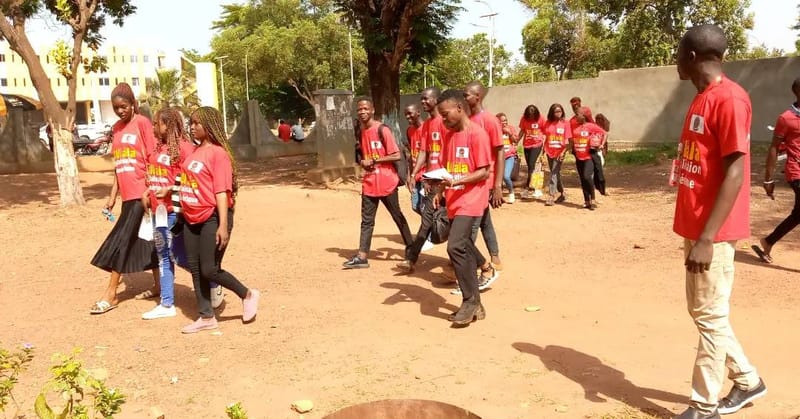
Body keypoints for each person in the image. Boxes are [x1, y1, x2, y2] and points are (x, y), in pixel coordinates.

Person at [672, 24, 766, 419]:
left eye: (679, 52)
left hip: (713, 233)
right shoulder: (702, 98)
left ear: (692, 57)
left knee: (710, 316)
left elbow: (736, 171)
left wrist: (708, 237)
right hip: (696, 227)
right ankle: (747, 380)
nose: (675, 60)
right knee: (703, 312)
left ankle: (704, 403)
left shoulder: (728, 99)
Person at [179, 106, 260, 333]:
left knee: (209, 269)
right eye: (191, 123)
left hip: (213, 217)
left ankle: (248, 294)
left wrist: (223, 225)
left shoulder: (218, 154)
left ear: (210, 125)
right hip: (190, 218)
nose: (192, 127)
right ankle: (206, 316)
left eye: (197, 123)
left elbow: (221, 192)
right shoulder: (193, 153)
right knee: (195, 268)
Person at [89, 83, 158, 314]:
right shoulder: (117, 129)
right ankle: (159, 285)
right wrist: (112, 197)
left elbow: (152, 158)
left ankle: (111, 294)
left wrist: (151, 191)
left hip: (142, 193)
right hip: (127, 194)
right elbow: (118, 166)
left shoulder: (143, 124)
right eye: (116, 107)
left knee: (123, 240)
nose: (120, 111)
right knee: (146, 239)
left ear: (132, 104)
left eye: (124, 106)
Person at [434, 89, 492, 326]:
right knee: (464, 245)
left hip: (473, 198)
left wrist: (456, 182)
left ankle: (469, 301)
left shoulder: (477, 134)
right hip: (454, 200)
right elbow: (447, 167)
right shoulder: (449, 136)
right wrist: (439, 190)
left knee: (456, 245)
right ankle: (476, 304)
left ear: (459, 108)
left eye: (445, 114)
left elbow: (483, 171)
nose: (443, 119)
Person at [343, 97, 413, 269]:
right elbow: (360, 155)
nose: (362, 112)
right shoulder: (360, 131)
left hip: (387, 182)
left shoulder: (382, 129)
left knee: (397, 217)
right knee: (367, 220)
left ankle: (411, 250)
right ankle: (362, 256)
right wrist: (363, 162)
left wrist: (374, 160)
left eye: (366, 108)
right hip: (369, 183)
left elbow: (396, 155)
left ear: (372, 110)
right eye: (359, 109)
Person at [139, 108, 196, 320]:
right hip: (157, 211)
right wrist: (147, 191)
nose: (153, 128)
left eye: (157, 124)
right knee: (165, 255)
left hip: (173, 212)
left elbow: (191, 180)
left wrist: (171, 189)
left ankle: (211, 281)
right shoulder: (157, 149)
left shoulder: (184, 149)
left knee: (177, 255)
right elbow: (154, 176)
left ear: (168, 125)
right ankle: (167, 303)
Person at [751, 77, 800, 264]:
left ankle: (768, 241)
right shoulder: (786, 118)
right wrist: (768, 179)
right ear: (798, 93)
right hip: (796, 172)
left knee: (798, 215)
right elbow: (774, 148)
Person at [398, 88, 444, 273]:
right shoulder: (426, 126)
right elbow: (424, 152)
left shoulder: (445, 122)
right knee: (426, 220)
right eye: (421, 99)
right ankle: (411, 259)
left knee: (458, 226)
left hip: (447, 181)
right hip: (432, 180)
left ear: (436, 99)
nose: (423, 102)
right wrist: (415, 174)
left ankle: (481, 263)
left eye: (426, 99)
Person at [463, 80, 504, 280]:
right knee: (484, 220)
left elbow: (500, 151)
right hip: (472, 180)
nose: (464, 98)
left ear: (477, 96)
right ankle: (495, 255)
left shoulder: (489, 120)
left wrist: (497, 185)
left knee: (470, 226)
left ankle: (470, 267)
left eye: (466, 94)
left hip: (484, 182)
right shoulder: (467, 120)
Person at [571, 108, 605, 210]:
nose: (576, 117)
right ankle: (586, 201)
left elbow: (604, 133)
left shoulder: (590, 126)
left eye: (578, 115)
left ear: (584, 116)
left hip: (588, 157)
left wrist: (601, 144)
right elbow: (572, 141)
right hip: (578, 157)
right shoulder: (575, 127)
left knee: (587, 176)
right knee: (582, 180)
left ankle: (593, 199)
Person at [543, 103, 572, 206]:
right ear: (552, 113)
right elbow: (545, 137)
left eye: (560, 111)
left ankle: (551, 195)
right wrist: (543, 151)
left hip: (560, 152)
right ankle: (563, 193)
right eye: (556, 111)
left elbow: (569, 141)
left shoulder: (566, 123)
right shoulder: (548, 123)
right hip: (549, 151)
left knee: (553, 173)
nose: (558, 113)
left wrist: (564, 152)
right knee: (555, 173)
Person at [518, 104, 546, 199]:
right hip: (527, 145)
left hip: (537, 144)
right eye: (529, 115)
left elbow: (545, 131)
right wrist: (516, 141)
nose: (531, 117)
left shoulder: (541, 118)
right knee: (530, 166)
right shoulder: (524, 119)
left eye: (533, 115)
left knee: (531, 165)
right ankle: (533, 187)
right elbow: (522, 130)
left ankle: (529, 188)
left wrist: (545, 146)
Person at [404, 104, 424, 213]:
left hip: (425, 175)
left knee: (425, 207)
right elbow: (411, 154)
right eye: (406, 115)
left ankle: (433, 230)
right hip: (415, 176)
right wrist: (409, 175)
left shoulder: (427, 129)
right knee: (415, 206)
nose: (408, 117)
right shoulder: (409, 131)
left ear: (418, 112)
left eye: (410, 113)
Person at [496, 112, 519, 203]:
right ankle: (498, 195)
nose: (504, 122)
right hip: (498, 157)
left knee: (506, 176)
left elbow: (515, 141)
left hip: (509, 156)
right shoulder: (495, 130)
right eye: (502, 121)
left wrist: (509, 133)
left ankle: (511, 192)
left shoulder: (511, 129)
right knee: (498, 178)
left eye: (505, 120)